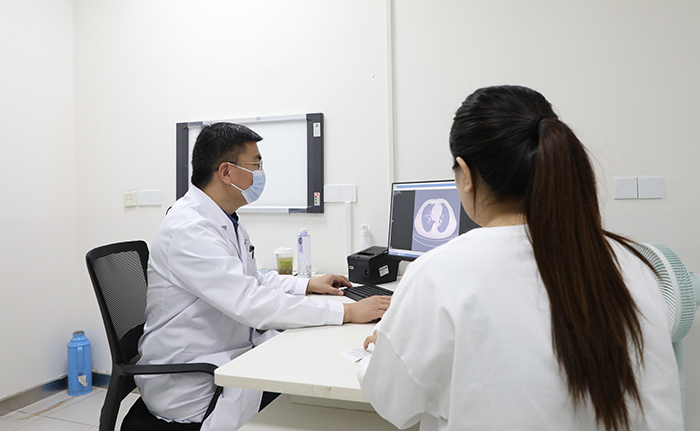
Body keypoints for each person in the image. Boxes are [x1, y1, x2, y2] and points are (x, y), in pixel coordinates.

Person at [358, 85, 683, 431]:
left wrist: (382, 349)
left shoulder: (439, 272)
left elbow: (392, 402)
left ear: (466, 174)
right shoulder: (631, 264)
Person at [136, 122, 390, 431]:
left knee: (312, 365)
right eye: (255, 165)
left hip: (226, 352)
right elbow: (250, 301)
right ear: (226, 172)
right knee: (315, 389)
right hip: (190, 379)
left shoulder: (223, 219)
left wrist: (308, 284)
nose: (260, 174)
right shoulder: (189, 229)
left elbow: (253, 279)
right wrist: (347, 312)